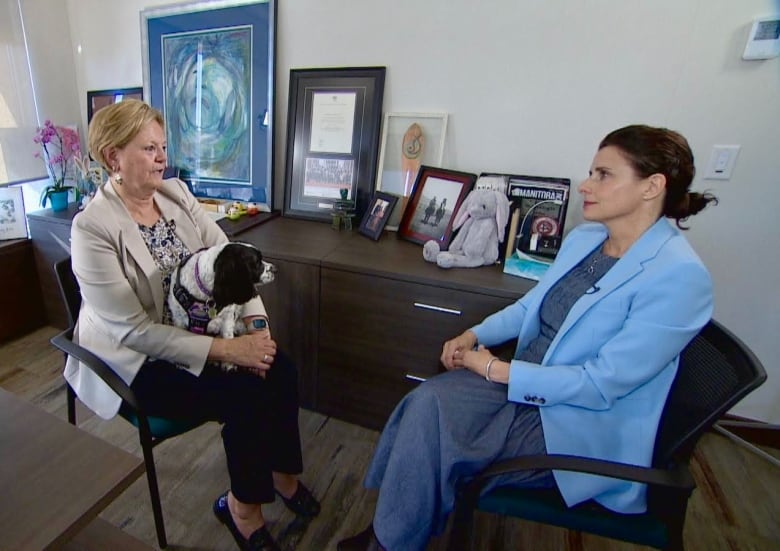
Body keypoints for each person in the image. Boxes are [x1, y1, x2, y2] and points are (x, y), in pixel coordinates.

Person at [338, 124, 718, 551]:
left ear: (652, 186)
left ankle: (389, 539)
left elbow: (600, 384)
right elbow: (528, 309)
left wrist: (497, 369)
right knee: (427, 403)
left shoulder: (679, 276)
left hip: (576, 422)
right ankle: (394, 531)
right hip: (526, 381)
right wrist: (474, 333)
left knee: (437, 432)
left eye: (603, 175)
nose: (586, 185)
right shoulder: (586, 239)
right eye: (591, 172)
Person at [65, 99, 319, 551]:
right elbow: (133, 331)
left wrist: (257, 330)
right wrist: (229, 352)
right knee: (244, 394)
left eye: (163, 146)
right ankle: (241, 511)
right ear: (112, 158)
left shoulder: (176, 194)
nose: (163, 157)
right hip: (138, 359)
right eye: (149, 148)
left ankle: (283, 475)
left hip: (199, 329)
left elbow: (231, 262)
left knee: (281, 369)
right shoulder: (92, 228)